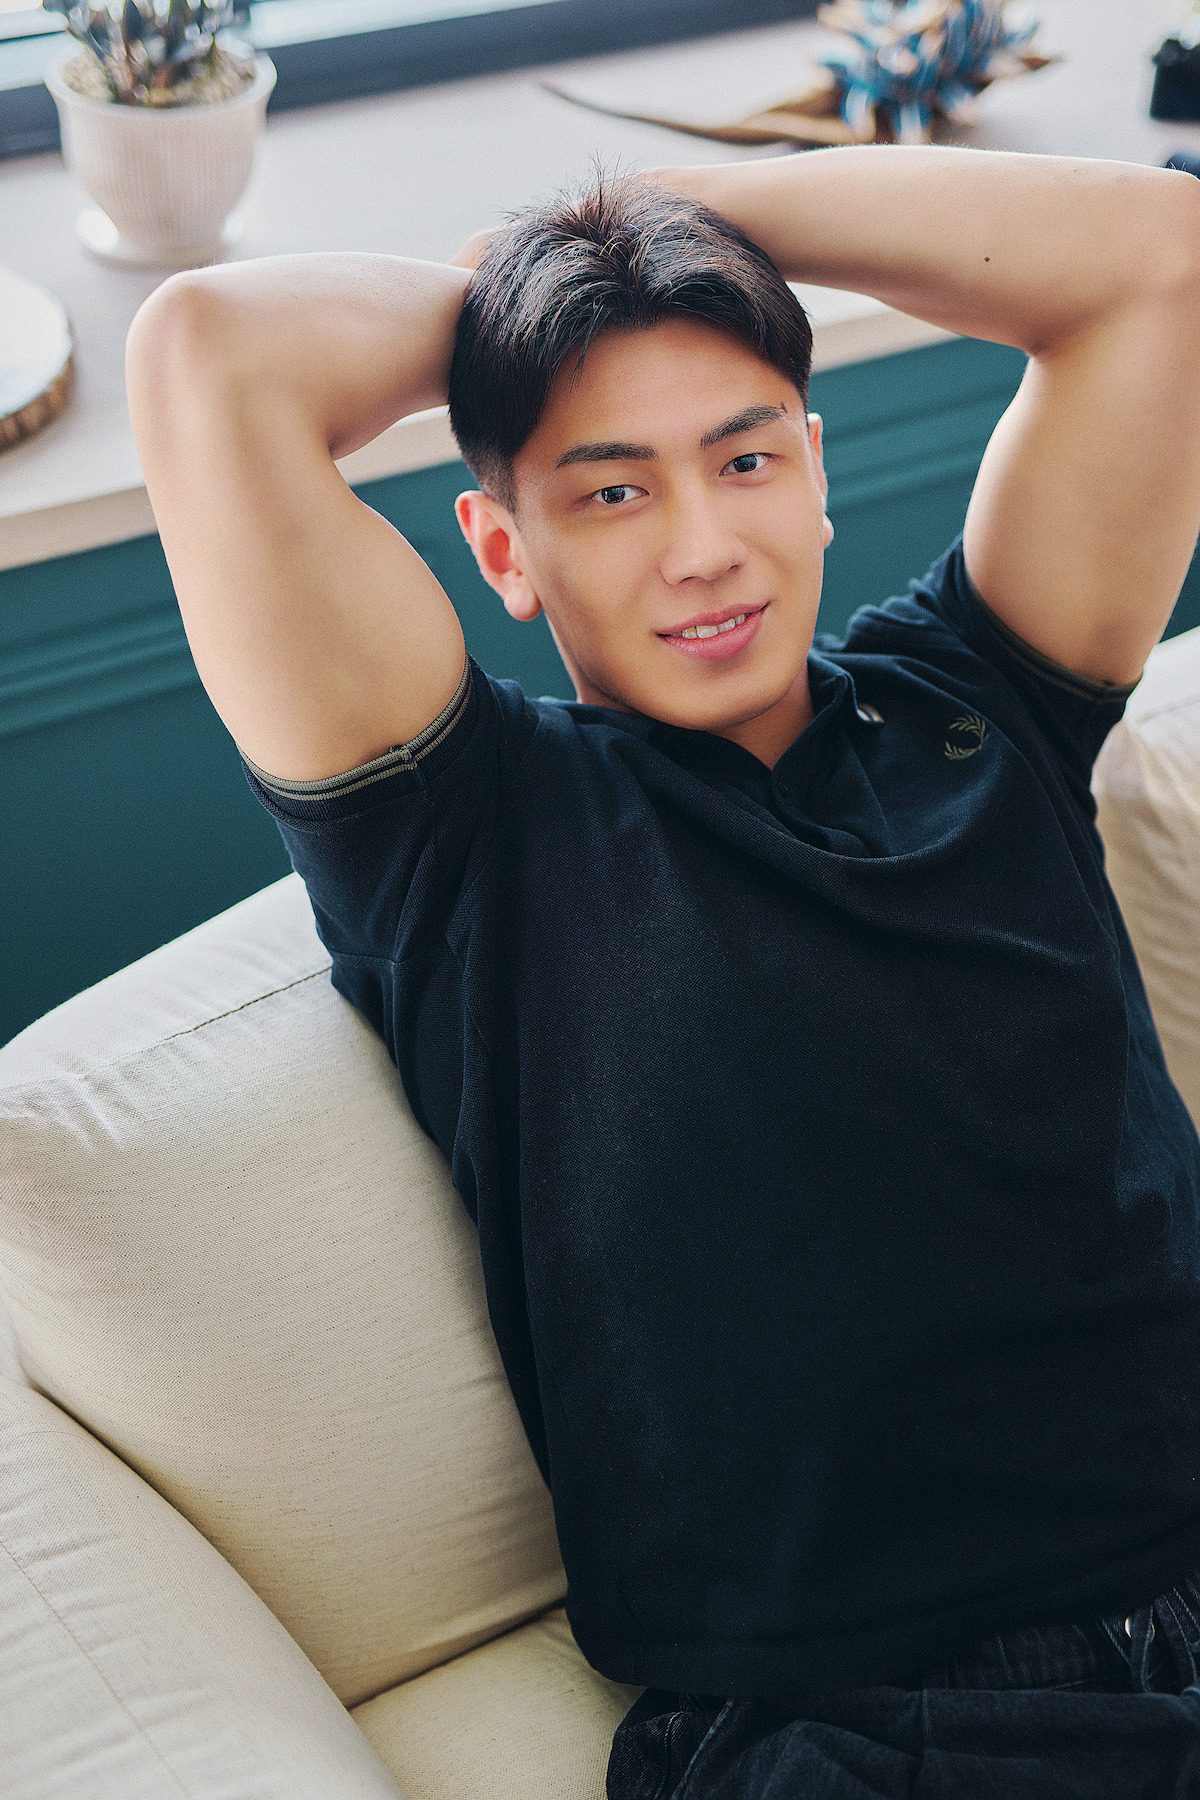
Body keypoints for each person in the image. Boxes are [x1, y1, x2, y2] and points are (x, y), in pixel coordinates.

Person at [126, 146, 1200, 1796]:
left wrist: (671, 226)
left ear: (816, 473)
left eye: (743, 458)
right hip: (880, 1730)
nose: (705, 548)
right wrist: (536, 281)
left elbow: (1166, 259)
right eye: (612, 489)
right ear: (503, 548)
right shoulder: (466, 837)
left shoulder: (990, 699)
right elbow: (206, 360)